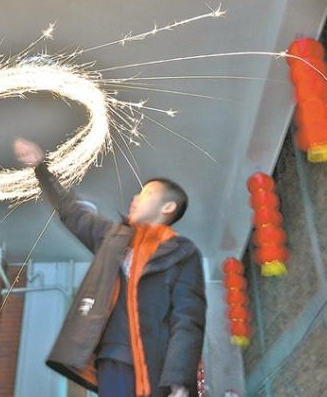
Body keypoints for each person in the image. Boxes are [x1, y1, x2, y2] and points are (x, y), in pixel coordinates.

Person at [13, 138, 206, 397]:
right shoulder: (113, 237)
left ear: (168, 207)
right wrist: (41, 168)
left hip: (156, 365)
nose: (135, 198)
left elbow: (188, 318)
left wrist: (180, 380)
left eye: (146, 194)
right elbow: (72, 213)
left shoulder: (182, 253)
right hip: (112, 357)